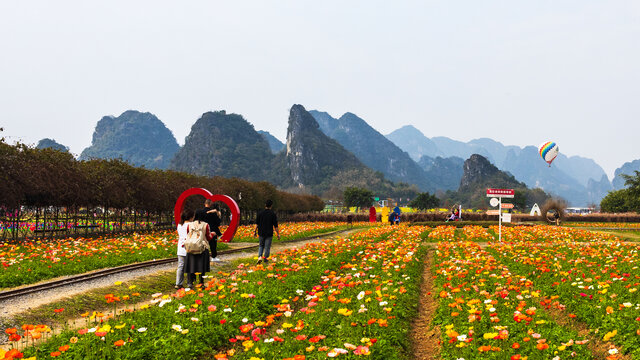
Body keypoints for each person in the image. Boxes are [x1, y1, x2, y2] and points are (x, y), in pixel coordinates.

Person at [184, 214, 214, 288]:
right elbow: (208, 237)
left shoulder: (190, 225)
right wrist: (213, 234)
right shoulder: (206, 225)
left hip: (191, 247)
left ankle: (190, 282)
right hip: (202, 248)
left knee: (191, 265)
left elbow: (188, 234)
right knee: (202, 266)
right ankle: (201, 282)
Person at [254, 199, 280, 264]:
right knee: (267, 247)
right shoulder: (273, 214)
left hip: (261, 232)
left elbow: (256, 224)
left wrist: (254, 231)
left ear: (265, 205)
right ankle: (266, 260)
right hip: (269, 233)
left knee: (261, 246)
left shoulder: (260, 213)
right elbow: (275, 225)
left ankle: (259, 257)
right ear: (271, 206)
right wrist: (278, 234)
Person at [175, 208, 193, 289]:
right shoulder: (191, 225)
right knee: (190, 266)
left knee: (181, 266)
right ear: (190, 217)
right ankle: (189, 283)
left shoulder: (179, 225)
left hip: (181, 247)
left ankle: (178, 283)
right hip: (189, 247)